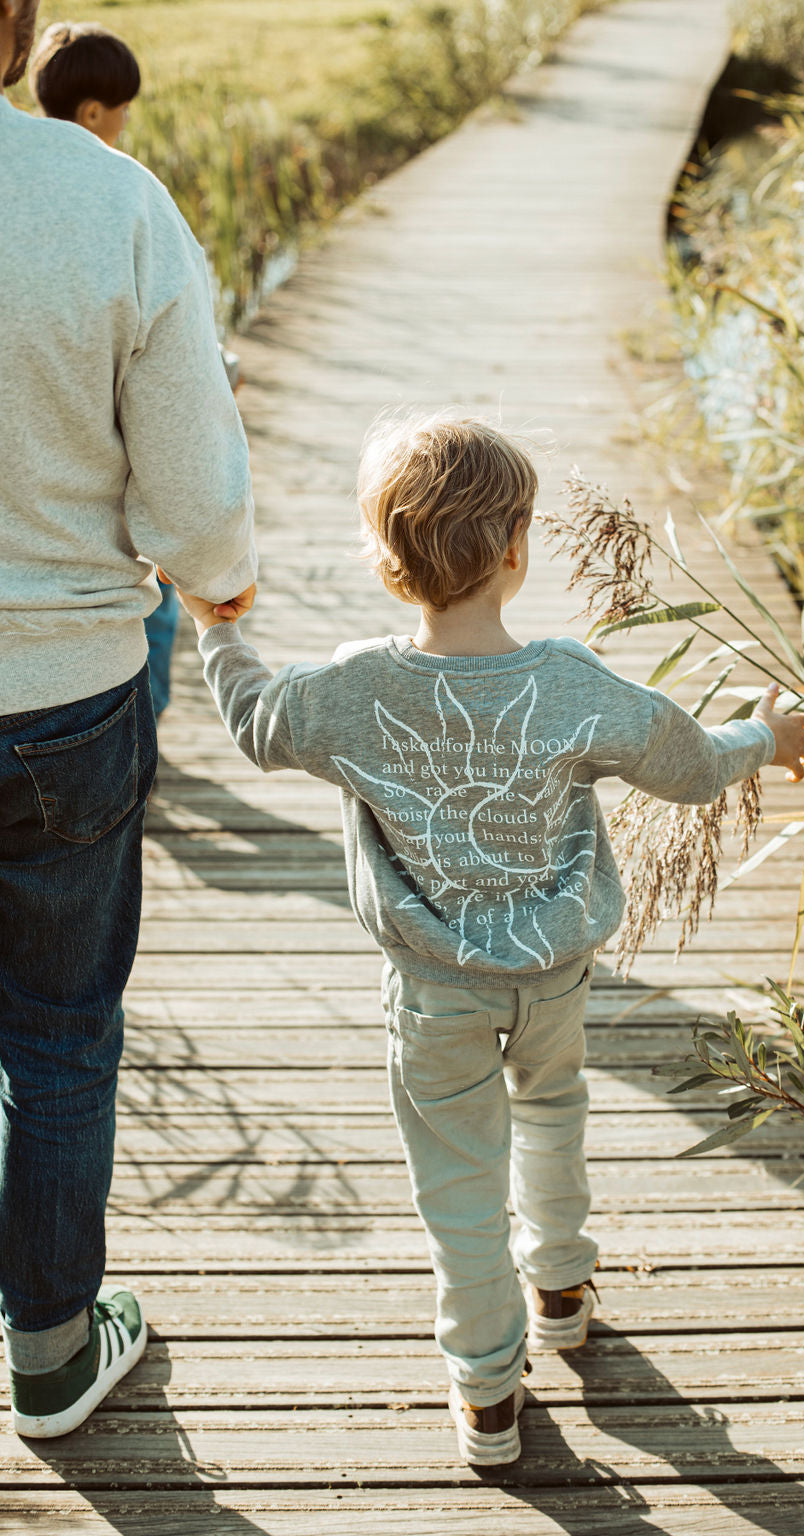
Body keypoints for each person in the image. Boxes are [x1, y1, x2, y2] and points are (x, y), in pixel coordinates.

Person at [174, 411, 804, 1468]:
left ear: (386, 563)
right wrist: (766, 737)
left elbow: (254, 722)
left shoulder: (353, 690)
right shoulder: (570, 682)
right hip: (553, 974)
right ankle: (560, 1287)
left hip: (431, 992)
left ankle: (485, 1391)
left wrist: (214, 629)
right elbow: (693, 765)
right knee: (554, 1113)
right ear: (517, 550)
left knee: (457, 1184)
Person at [0, 0, 257, 1440]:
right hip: (57, 693)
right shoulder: (110, 201)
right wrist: (217, 578)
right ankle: (49, 1351)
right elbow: (194, 490)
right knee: (56, 1034)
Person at [28, 19, 241, 723]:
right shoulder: (123, 195)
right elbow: (176, 435)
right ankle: (150, 718)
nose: (126, 120)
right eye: (122, 108)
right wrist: (219, 572)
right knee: (156, 619)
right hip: (80, 641)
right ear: (94, 112)